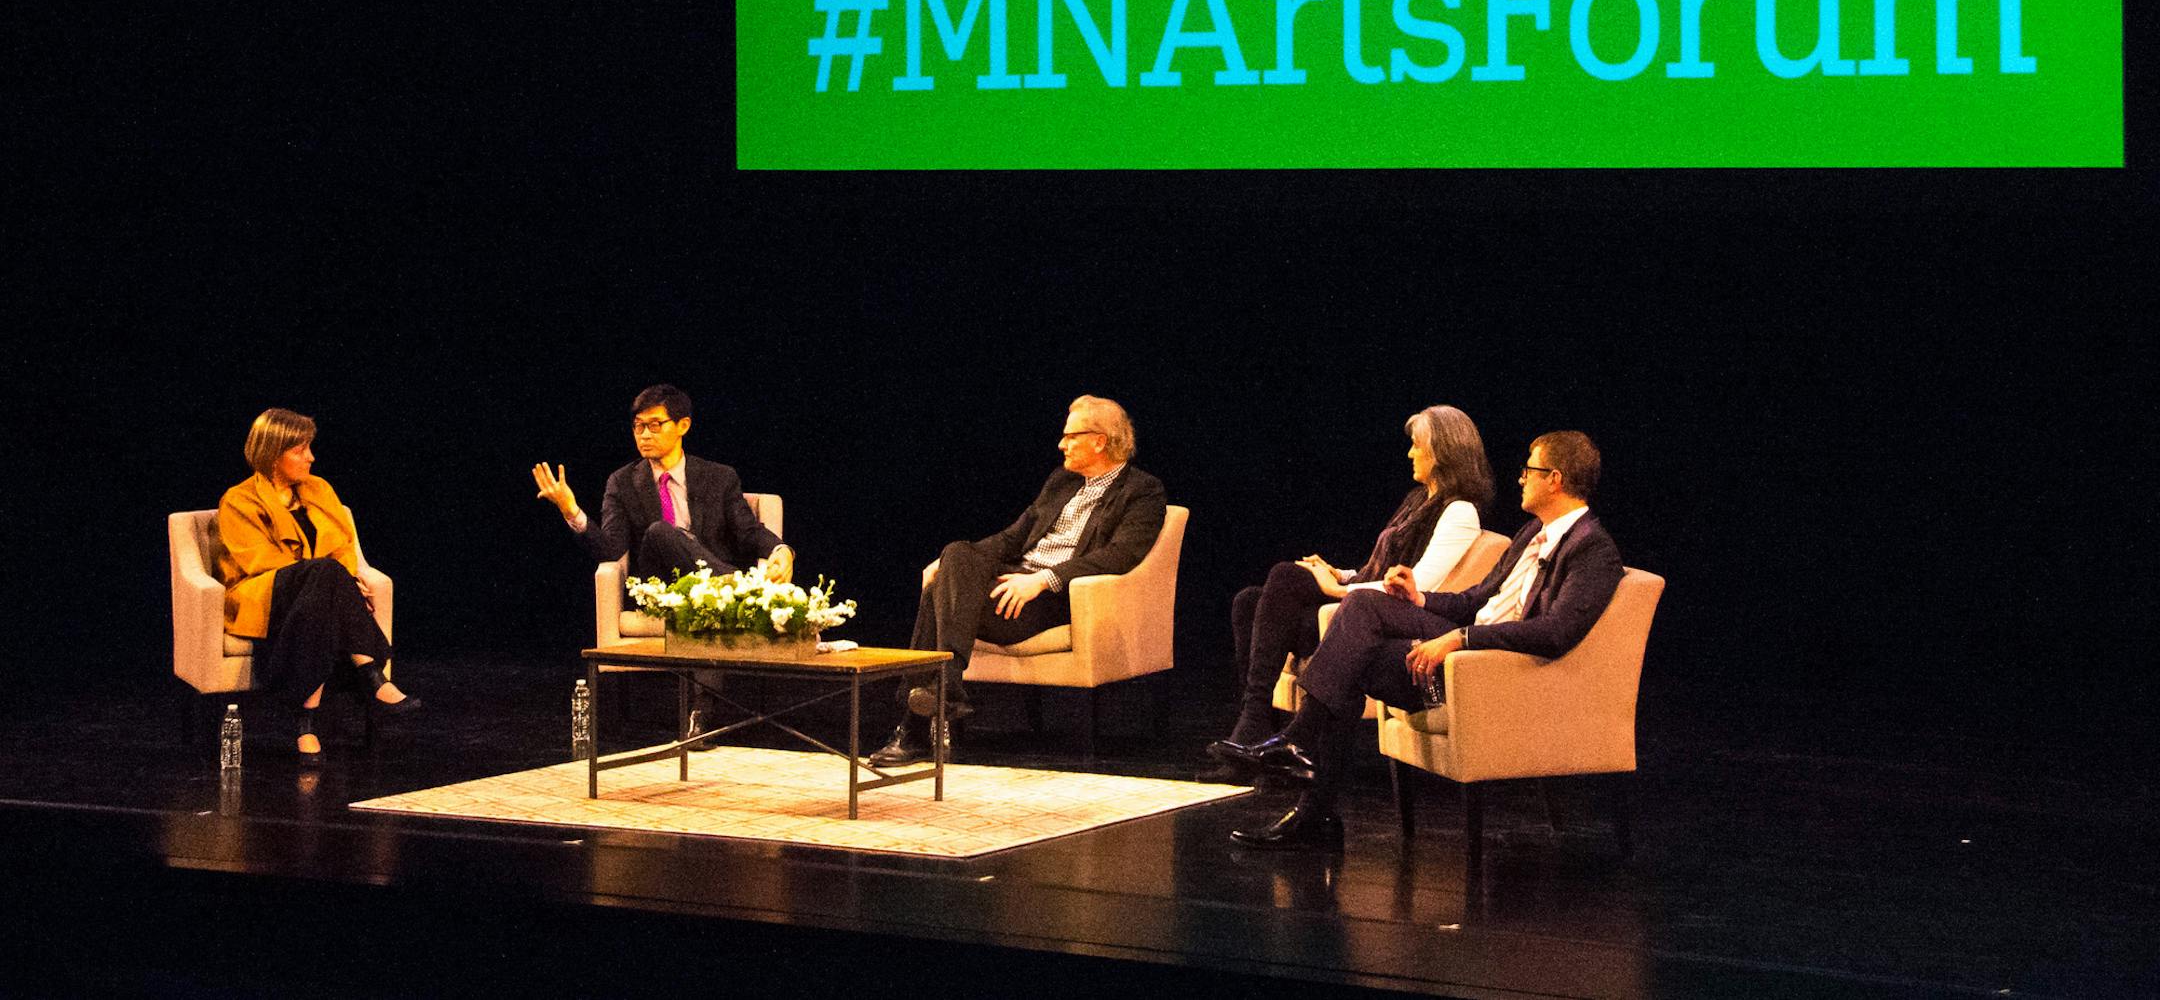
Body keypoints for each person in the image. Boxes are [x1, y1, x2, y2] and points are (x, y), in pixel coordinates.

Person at [1218, 430, 1623, 849]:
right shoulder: (1530, 533)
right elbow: (1477, 598)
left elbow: (1555, 633)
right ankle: (1315, 816)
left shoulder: (1592, 549)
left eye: (1529, 470)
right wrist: (1419, 598)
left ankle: (1294, 743)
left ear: (1554, 479)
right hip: (1462, 654)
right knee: (1352, 660)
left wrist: (1460, 639)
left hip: (1492, 670)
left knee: (1359, 610)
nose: (1521, 478)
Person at [867, 395, 1166, 768]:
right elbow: (1013, 537)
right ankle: (950, 688)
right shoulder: (1061, 482)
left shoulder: (1142, 491)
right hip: (1013, 585)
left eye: (1071, 436)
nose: (1062, 444)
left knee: (935, 596)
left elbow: (1121, 555)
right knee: (956, 552)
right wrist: (947, 561)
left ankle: (913, 729)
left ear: (1100, 440)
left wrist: (1044, 579)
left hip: (1056, 599)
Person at [1212, 404, 1493, 764]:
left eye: (1417, 445)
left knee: (1284, 577)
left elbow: (1415, 586)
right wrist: (1339, 574)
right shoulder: (1417, 500)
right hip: (1362, 603)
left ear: (1442, 451)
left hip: (1383, 620)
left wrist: (1337, 590)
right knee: (1249, 600)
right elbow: (1376, 570)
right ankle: (1257, 730)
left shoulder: (1459, 511)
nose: (1410, 453)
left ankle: (1253, 727)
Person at [216, 407, 420, 759]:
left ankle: (306, 723)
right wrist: (329, 579)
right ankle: (371, 674)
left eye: (310, 447)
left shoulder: (319, 489)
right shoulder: (238, 500)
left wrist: (343, 580)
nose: (311, 457)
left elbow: (342, 546)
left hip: (315, 597)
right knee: (323, 577)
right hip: (263, 590)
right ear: (272, 454)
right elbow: (257, 561)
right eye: (300, 450)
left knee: (323, 592)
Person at [531, 383, 794, 585]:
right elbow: (611, 550)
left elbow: (747, 532)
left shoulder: (720, 477)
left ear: (683, 425)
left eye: (655, 425)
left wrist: (781, 550)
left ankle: (730, 589)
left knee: (670, 534)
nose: (644, 434)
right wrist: (571, 510)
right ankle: (742, 588)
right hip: (661, 587)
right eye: (638, 426)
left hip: (710, 581)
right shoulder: (621, 483)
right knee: (660, 532)